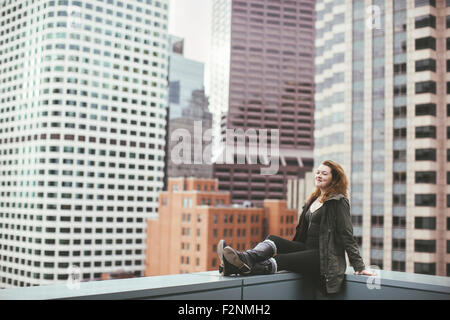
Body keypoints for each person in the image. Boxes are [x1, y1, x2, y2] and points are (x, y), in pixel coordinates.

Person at [217, 160, 375, 295]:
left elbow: (347, 235)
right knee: (272, 238)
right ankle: (245, 259)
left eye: (324, 173)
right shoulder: (313, 200)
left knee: (281, 260)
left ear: (335, 179)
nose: (318, 175)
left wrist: (359, 266)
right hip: (307, 249)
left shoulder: (338, 201)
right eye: (318, 172)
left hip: (323, 257)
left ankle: (238, 266)